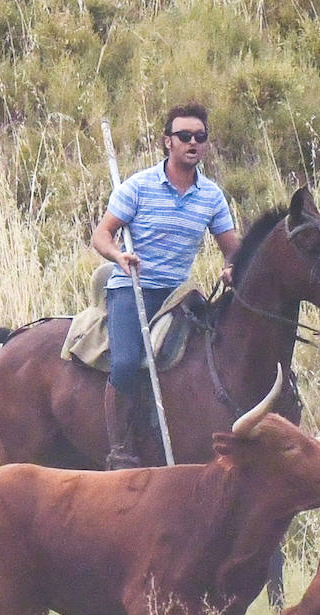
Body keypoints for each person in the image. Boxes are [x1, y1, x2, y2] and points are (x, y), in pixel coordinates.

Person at [90, 102, 241, 469]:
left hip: (178, 293)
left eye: (200, 137)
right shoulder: (138, 187)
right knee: (126, 363)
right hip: (133, 288)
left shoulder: (211, 196)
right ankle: (120, 448)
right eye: (184, 136)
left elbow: (234, 249)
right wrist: (119, 257)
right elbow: (102, 235)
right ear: (167, 142)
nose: (193, 143)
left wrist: (231, 268)